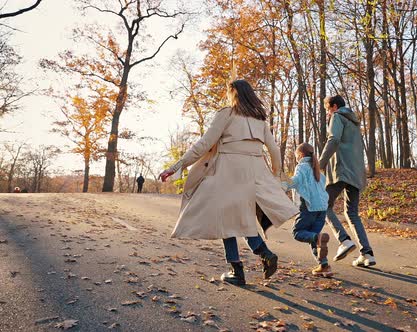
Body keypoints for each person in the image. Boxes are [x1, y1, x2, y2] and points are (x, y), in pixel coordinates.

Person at [159, 79, 298, 286]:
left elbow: (204, 143)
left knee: (226, 220)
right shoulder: (260, 120)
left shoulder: (227, 113)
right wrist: (275, 177)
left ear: (233, 93)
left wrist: (176, 166)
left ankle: (237, 269)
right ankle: (264, 254)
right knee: (241, 219)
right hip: (256, 174)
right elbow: (274, 150)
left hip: (229, 172)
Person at [319, 95, 376, 267]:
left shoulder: (338, 117)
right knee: (351, 213)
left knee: (323, 205)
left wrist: (320, 163)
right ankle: (367, 254)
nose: (328, 114)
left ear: (334, 107)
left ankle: (344, 240)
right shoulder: (354, 123)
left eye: (328, 110)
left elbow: (334, 139)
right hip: (357, 173)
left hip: (342, 170)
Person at [284, 143, 332, 277]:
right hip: (322, 209)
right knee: (314, 238)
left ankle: (317, 238)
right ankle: (324, 266)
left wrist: (281, 185)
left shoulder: (302, 167)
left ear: (300, 155)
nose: (297, 159)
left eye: (296, 157)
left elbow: (295, 180)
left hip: (308, 207)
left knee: (298, 233)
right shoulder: (317, 169)